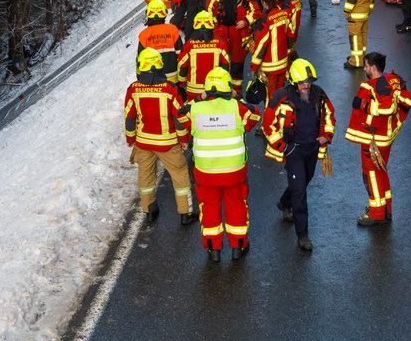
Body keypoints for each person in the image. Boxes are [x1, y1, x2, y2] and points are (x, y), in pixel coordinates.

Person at [179, 67, 260, 261]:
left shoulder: (195, 110)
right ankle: (238, 247)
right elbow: (255, 115)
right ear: (228, 87)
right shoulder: (237, 107)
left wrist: (200, 98)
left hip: (206, 173)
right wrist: (237, 97)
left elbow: (181, 115)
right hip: (234, 172)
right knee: (237, 207)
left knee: (209, 210)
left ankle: (212, 249)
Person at [263, 59, 335, 252]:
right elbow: (267, 123)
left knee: (303, 183)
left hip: (312, 148)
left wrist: (326, 136)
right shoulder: (281, 96)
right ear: (294, 81)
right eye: (303, 82)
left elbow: (329, 115)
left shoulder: (318, 94)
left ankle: (284, 203)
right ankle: (302, 235)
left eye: (309, 82)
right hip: (293, 151)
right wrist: (281, 146)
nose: (306, 85)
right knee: (300, 192)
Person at [125, 48, 197, 226]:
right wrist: (184, 139)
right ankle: (185, 213)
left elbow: (130, 116)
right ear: (159, 66)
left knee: (146, 177)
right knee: (180, 175)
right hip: (168, 144)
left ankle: (149, 210)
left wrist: (130, 138)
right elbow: (180, 118)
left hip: (143, 142)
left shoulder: (133, 89)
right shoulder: (169, 90)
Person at [344, 51, 411, 226]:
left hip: (373, 140)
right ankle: (386, 209)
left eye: (366, 66)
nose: (364, 69)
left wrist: (365, 105)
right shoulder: (393, 79)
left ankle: (376, 213)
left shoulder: (371, 87)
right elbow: (407, 101)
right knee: (382, 172)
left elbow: (384, 108)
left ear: (373, 68)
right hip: (386, 138)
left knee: (371, 175)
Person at [207, 0, 259, 92]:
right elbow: (208, 11)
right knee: (221, 61)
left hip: (239, 33)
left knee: (237, 63)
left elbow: (256, 11)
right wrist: (215, 26)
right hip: (220, 32)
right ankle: (220, 88)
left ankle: (237, 91)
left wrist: (245, 21)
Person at [249, 0, 293, 102]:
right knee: (281, 95)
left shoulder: (265, 21)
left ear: (264, 2)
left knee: (270, 97)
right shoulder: (285, 14)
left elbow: (261, 46)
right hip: (283, 64)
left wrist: (254, 67)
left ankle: (270, 118)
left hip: (269, 67)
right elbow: (290, 37)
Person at [176, 10, 230, 102]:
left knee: (194, 113)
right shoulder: (220, 43)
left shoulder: (189, 45)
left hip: (193, 89)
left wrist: (182, 82)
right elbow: (226, 65)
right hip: (214, 88)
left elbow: (182, 65)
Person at [138, 0, 183, 83]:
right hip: (173, 78)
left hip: (153, 79)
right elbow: (181, 55)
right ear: (164, 12)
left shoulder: (143, 35)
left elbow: (140, 61)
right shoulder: (173, 30)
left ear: (148, 13)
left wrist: (140, 78)